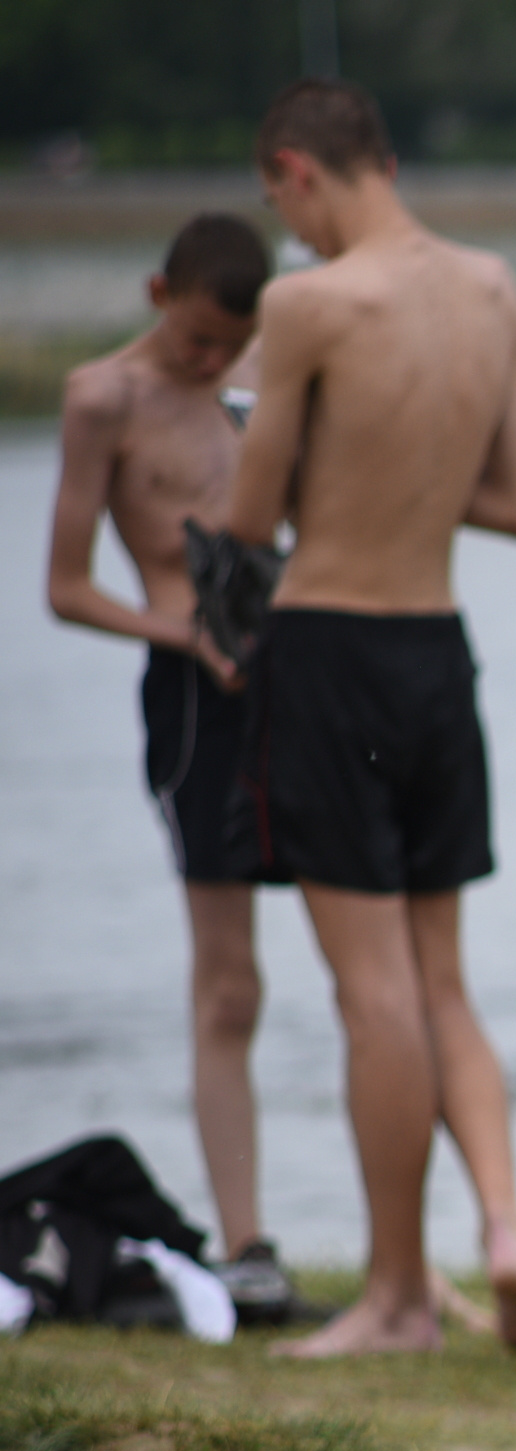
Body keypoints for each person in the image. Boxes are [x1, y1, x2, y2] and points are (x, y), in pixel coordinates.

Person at [219, 79, 516, 1357]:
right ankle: (510, 1229)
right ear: (395, 162)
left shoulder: (305, 305)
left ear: (301, 171)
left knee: (373, 997)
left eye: (281, 202)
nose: (289, 230)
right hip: (436, 651)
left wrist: (302, 464)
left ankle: (398, 1295)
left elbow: (252, 525)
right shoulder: (492, 289)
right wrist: (405, 482)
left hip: (330, 648)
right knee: (442, 981)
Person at [45, 213, 311, 1324]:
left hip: (297, 676)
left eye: (227, 346)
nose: (209, 365)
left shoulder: (263, 372)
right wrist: (182, 636)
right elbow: (65, 586)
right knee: (229, 981)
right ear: (160, 295)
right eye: (196, 342)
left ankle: (407, 1252)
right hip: (195, 695)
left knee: (371, 970)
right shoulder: (101, 397)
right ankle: (244, 1239)